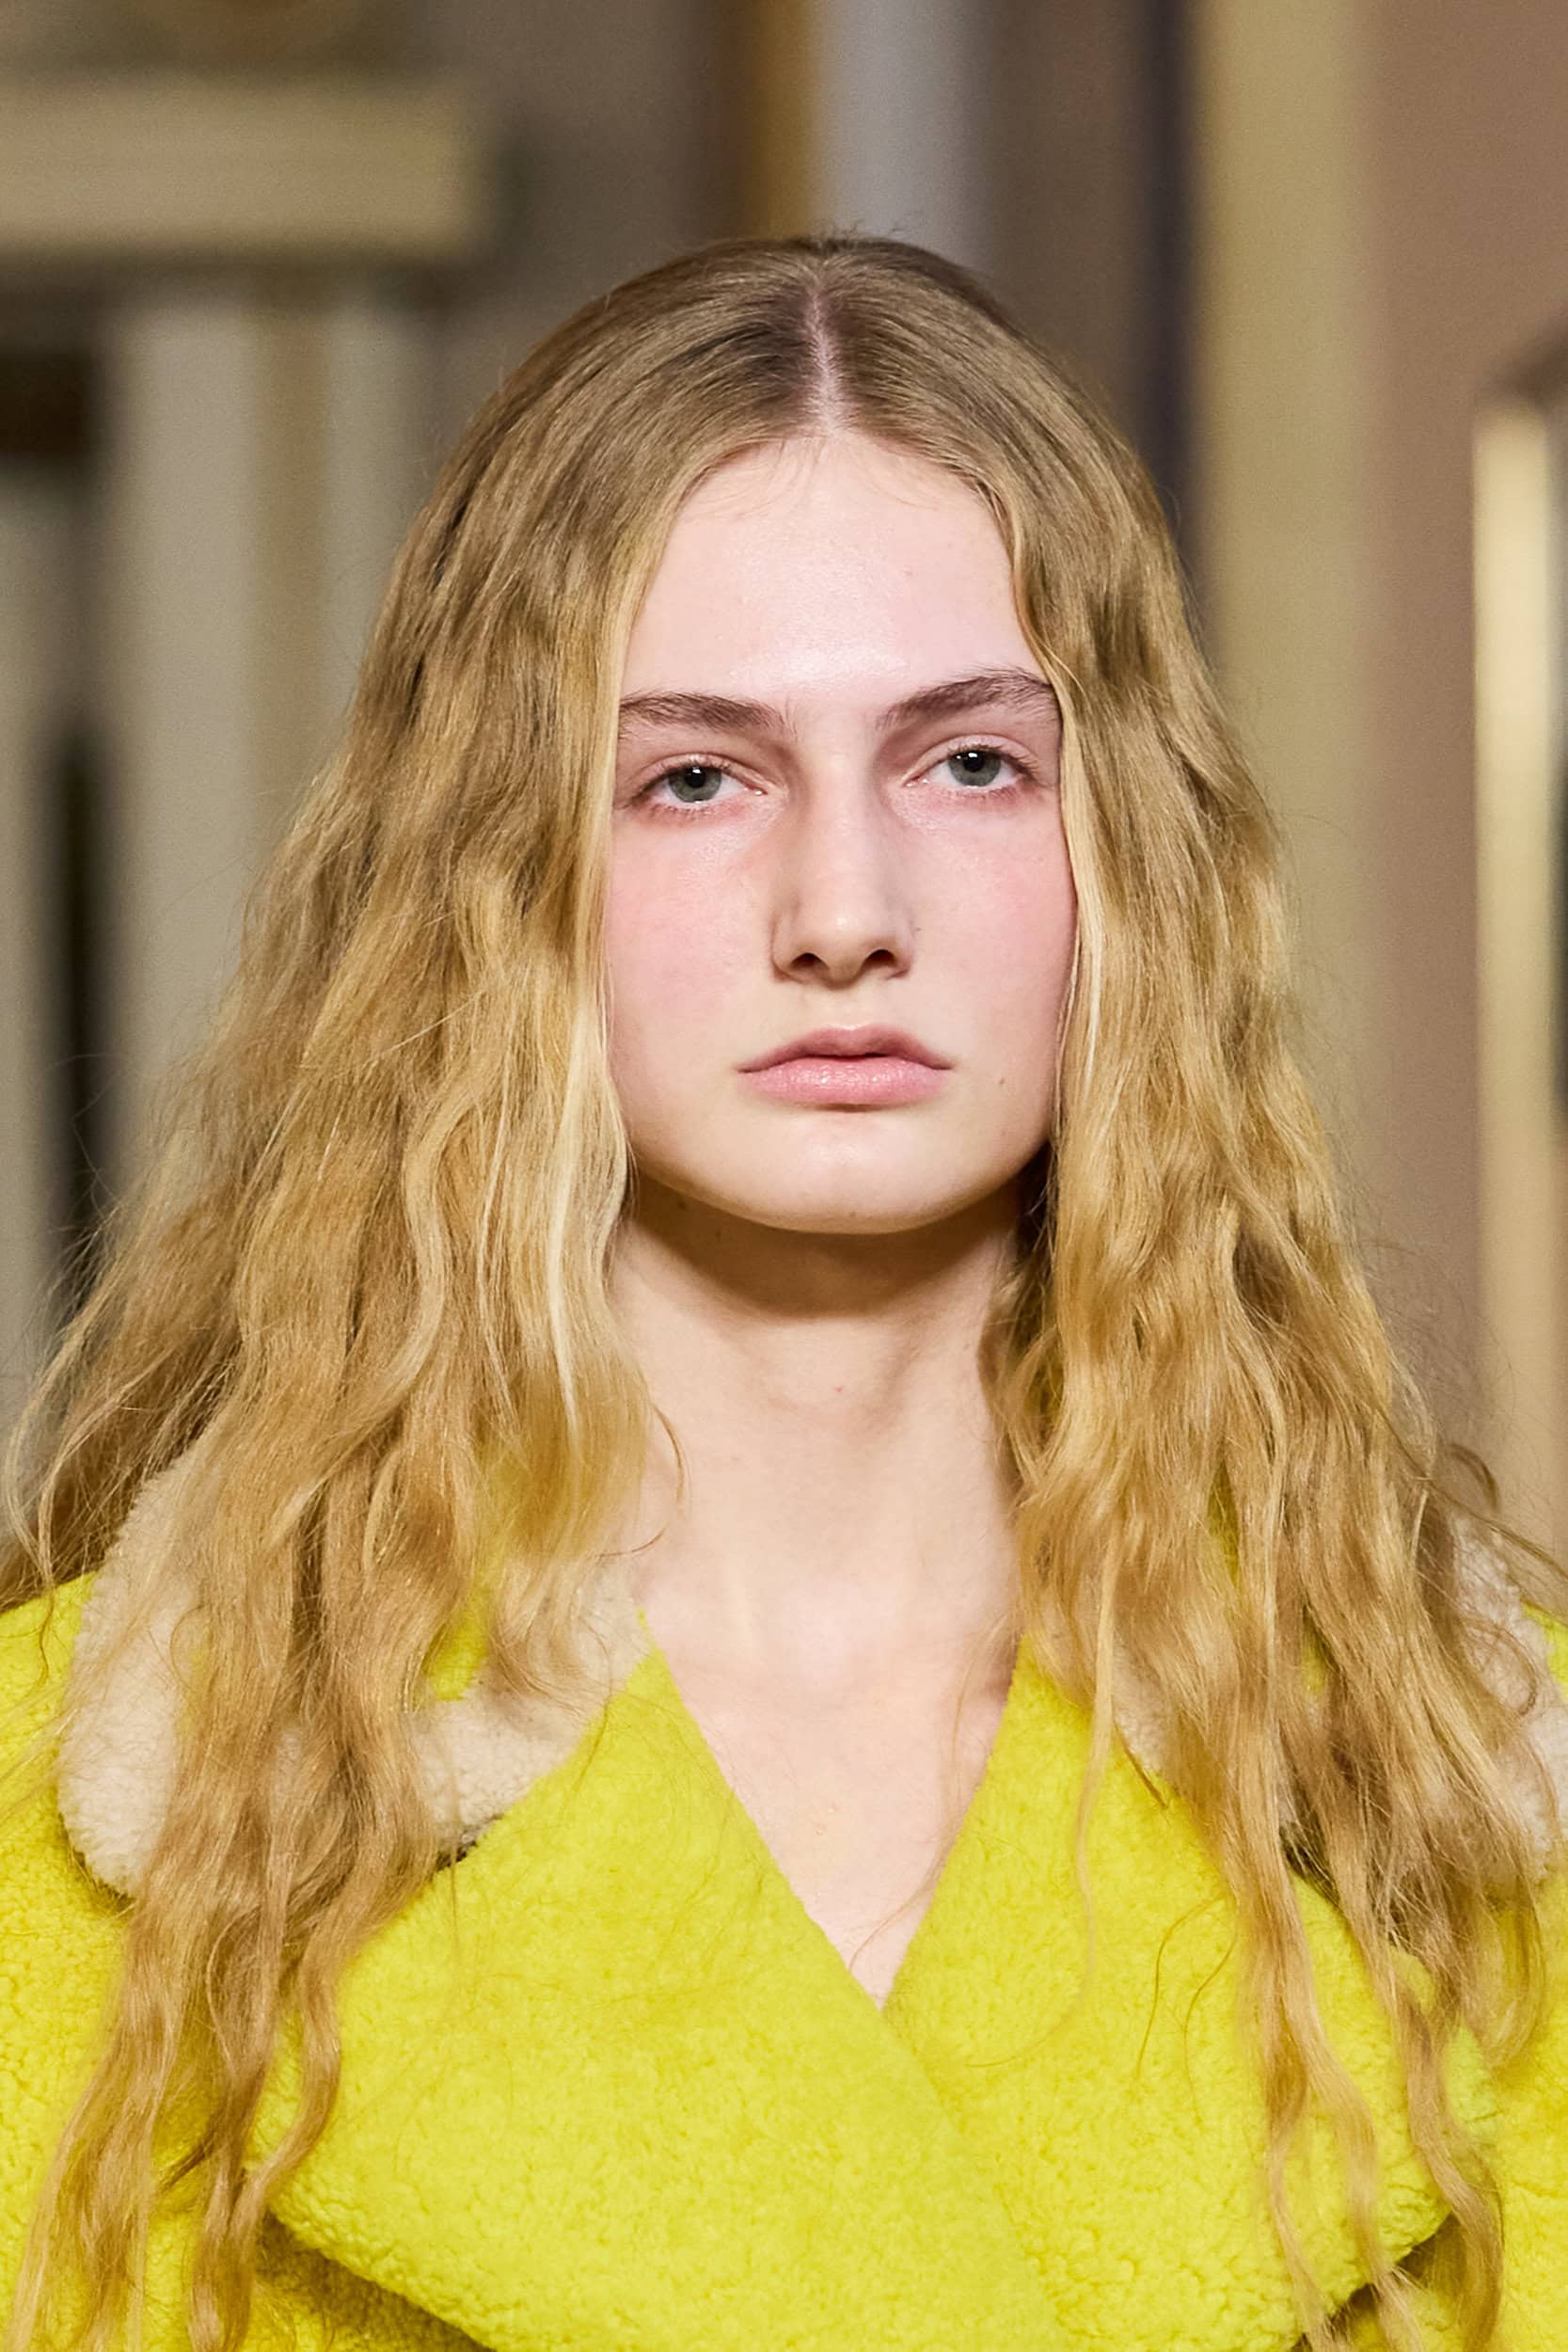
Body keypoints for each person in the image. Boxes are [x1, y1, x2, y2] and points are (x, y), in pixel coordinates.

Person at [1, 232, 1565, 2352]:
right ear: (495, 878)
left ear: (1134, 854)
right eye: (696, 776)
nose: (843, 909)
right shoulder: (79, 1821)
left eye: (970, 762)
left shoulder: (1464, 1799)